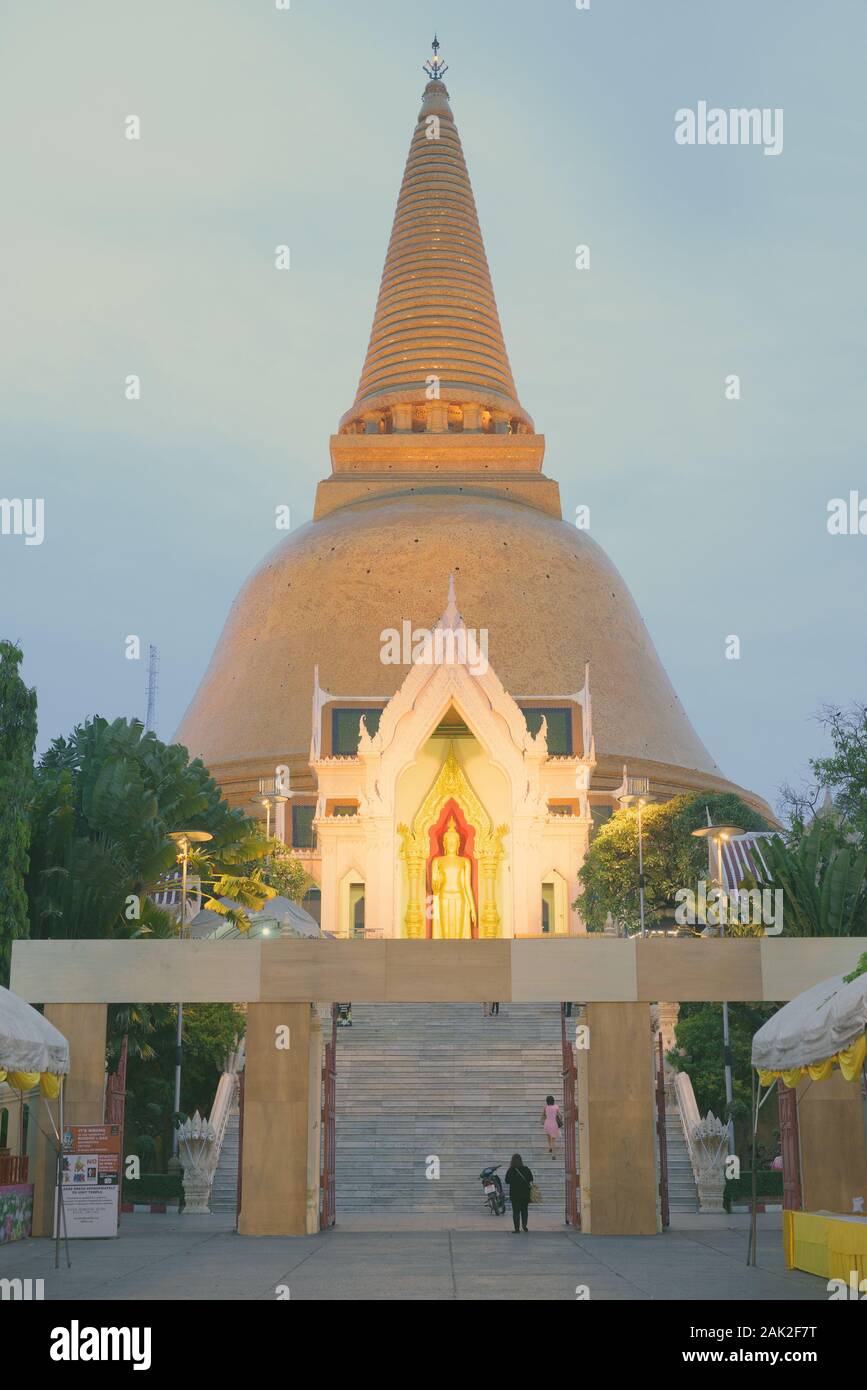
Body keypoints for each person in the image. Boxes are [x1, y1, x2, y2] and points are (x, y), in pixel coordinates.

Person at [505, 1152, 534, 1233]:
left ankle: (517, 1229)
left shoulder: (511, 1170)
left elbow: (507, 1181)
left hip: (515, 1194)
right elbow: (531, 1178)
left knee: (516, 1211)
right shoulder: (526, 1169)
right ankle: (524, 1226)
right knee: (524, 1210)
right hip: (525, 1194)